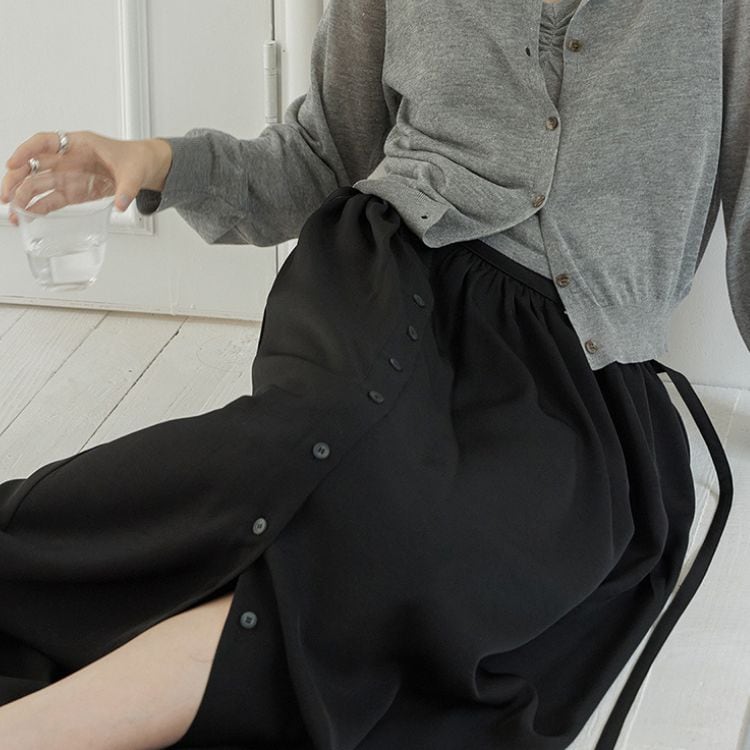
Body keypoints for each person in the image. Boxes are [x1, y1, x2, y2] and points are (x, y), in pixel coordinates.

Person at [0, 0, 744, 748]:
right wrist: (152, 160)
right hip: (387, 278)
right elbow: (323, 155)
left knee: (426, 556)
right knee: (303, 466)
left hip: (579, 362)